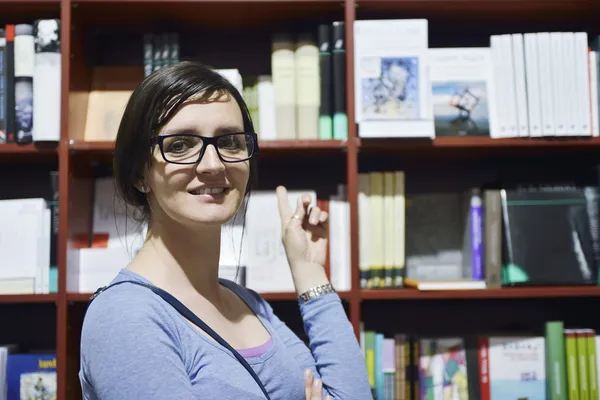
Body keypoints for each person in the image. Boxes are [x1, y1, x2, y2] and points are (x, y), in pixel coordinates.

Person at [78, 61, 371, 400]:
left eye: (230, 141)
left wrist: (309, 271)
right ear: (139, 173)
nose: (213, 164)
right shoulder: (127, 317)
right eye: (179, 145)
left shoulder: (247, 302)